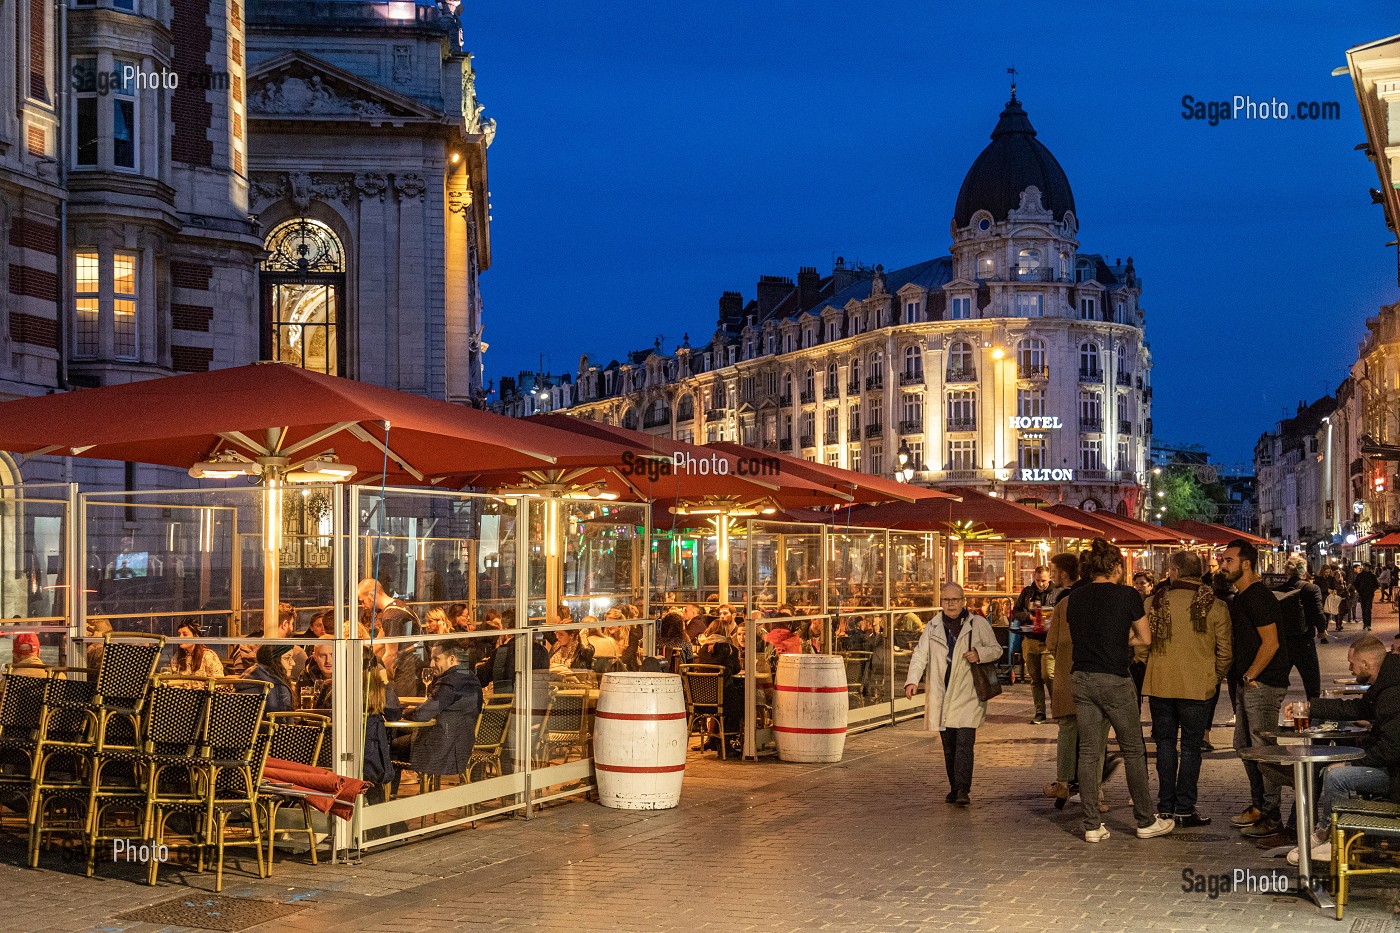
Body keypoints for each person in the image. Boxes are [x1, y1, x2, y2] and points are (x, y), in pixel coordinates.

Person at [1065, 538, 1174, 843]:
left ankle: (1091, 825)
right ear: (1116, 567)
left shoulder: (1077, 596)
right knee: (1133, 750)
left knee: (1089, 752)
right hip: (1113, 678)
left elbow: (1080, 635)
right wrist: (1118, 640)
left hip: (1082, 677)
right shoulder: (1128, 595)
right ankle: (1145, 820)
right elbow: (1145, 638)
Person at [1283, 635, 1400, 865]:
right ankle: (1327, 833)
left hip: (1395, 774)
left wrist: (1351, 763)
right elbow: (1357, 707)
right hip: (1390, 764)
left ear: (1366, 663)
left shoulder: (1392, 692)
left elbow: (1392, 749)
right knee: (1332, 770)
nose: (1350, 668)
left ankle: (1332, 839)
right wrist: (1311, 707)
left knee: (1336, 776)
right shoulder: (1386, 682)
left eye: (1352, 663)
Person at [1142, 549, 1232, 827]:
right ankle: (1184, 808)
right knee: (1192, 748)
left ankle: (1165, 807)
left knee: (1165, 745)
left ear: (1176, 571)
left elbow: (1142, 645)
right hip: (1198, 687)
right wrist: (1213, 677)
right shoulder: (1215, 606)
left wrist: (1150, 665)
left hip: (1160, 685)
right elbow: (1225, 652)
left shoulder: (1154, 602)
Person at [903, 583, 1002, 808]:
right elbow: (921, 654)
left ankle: (962, 789)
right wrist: (912, 680)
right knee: (949, 745)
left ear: (963, 600)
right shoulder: (933, 626)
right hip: (942, 693)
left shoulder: (977, 624)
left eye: (955, 600)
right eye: (946, 600)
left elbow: (996, 649)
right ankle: (954, 787)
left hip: (968, 693)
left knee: (965, 742)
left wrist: (980, 654)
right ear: (941, 602)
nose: (950, 604)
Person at [1221, 539, 1291, 839]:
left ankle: (1272, 814)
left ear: (1246, 563)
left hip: (1262, 684)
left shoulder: (1257, 597)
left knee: (1263, 750)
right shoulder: (1243, 597)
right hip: (1247, 683)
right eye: (1222, 560)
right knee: (1245, 747)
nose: (1222, 565)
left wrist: (1250, 675)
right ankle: (1260, 805)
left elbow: (1271, 642)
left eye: (1228, 560)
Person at [1044, 551, 1111, 813]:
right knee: (1094, 737)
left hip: (1068, 678)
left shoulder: (1065, 604)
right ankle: (1094, 792)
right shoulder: (1109, 603)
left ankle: (1063, 781)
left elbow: (1051, 644)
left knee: (1068, 729)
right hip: (1099, 676)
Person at [393, 643, 483, 782]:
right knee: (401, 734)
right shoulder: (471, 677)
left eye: (436, 659)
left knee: (390, 746)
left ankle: (387, 798)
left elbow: (422, 715)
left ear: (452, 659)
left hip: (440, 748)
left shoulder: (449, 682)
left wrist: (404, 712)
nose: (431, 663)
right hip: (462, 744)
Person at [358, 579, 424, 701]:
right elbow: (379, 642)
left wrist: (378, 678)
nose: (363, 605)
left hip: (405, 671)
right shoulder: (396, 605)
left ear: (372, 595)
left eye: (362, 601)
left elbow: (390, 655)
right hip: (413, 665)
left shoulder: (391, 616)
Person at [1274, 554, 1323, 700]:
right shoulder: (1311, 589)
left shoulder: (1276, 590)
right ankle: (1314, 716)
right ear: (1304, 571)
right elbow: (1318, 613)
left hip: (1282, 643)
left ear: (1285, 572)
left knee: (1277, 684)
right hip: (1304, 642)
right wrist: (1322, 630)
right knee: (1312, 684)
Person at [1011, 565, 1056, 723]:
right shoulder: (1027, 592)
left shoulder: (1055, 592)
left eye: (1043, 580)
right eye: (1037, 580)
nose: (1040, 584)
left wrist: (1050, 616)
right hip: (1030, 639)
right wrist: (1029, 616)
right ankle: (1040, 712)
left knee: (1049, 675)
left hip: (1048, 641)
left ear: (1049, 578)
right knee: (1035, 678)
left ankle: (1056, 708)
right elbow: (1016, 611)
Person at [695, 620, 743, 755]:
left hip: (701, 700)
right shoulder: (729, 650)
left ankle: (713, 739)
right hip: (721, 698)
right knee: (737, 709)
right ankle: (725, 745)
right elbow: (736, 670)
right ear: (726, 632)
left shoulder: (703, 649)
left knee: (729, 703)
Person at [241, 644, 296, 713]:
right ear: (274, 660)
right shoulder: (277, 686)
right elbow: (283, 720)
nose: (293, 663)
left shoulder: (248, 677)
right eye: (287, 658)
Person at [1355, 563, 1380, 632]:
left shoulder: (1372, 576)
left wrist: (1372, 590)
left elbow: (1376, 585)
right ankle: (1365, 623)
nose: (1365, 568)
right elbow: (1356, 584)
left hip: (1369, 594)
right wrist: (1358, 590)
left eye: (1366, 567)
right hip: (1362, 594)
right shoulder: (1360, 575)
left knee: (1368, 609)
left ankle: (1368, 624)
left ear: (1369, 567)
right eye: (1364, 567)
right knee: (1363, 609)